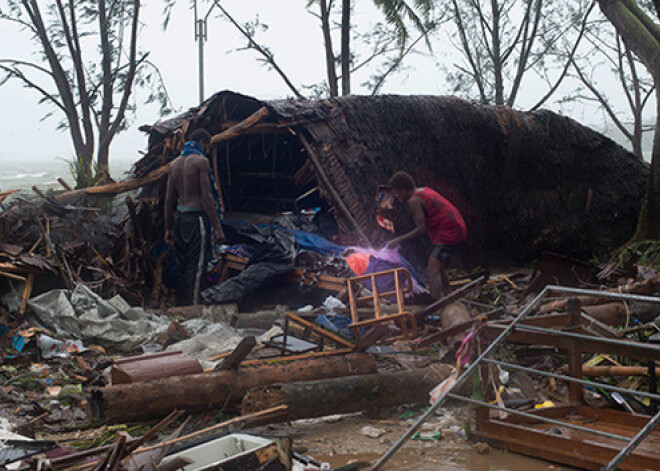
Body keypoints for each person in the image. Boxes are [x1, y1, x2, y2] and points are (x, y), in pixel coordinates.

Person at [164, 128, 226, 305]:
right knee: (197, 264)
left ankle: (180, 305)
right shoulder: (201, 162)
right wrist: (218, 227)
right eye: (208, 146)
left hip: (179, 219)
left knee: (182, 264)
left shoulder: (174, 165)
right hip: (196, 219)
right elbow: (207, 198)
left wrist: (168, 228)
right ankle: (192, 306)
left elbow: (169, 200)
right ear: (203, 143)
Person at [385, 171, 466, 298]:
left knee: (432, 270)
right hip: (455, 226)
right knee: (437, 263)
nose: (396, 197)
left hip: (449, 231)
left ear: (403, 190)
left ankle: (434, 304)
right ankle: (448, 295)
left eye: (396, 193)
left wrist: (398, 240)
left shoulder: (414, 201)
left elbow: (421, 229)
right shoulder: (423, 190)